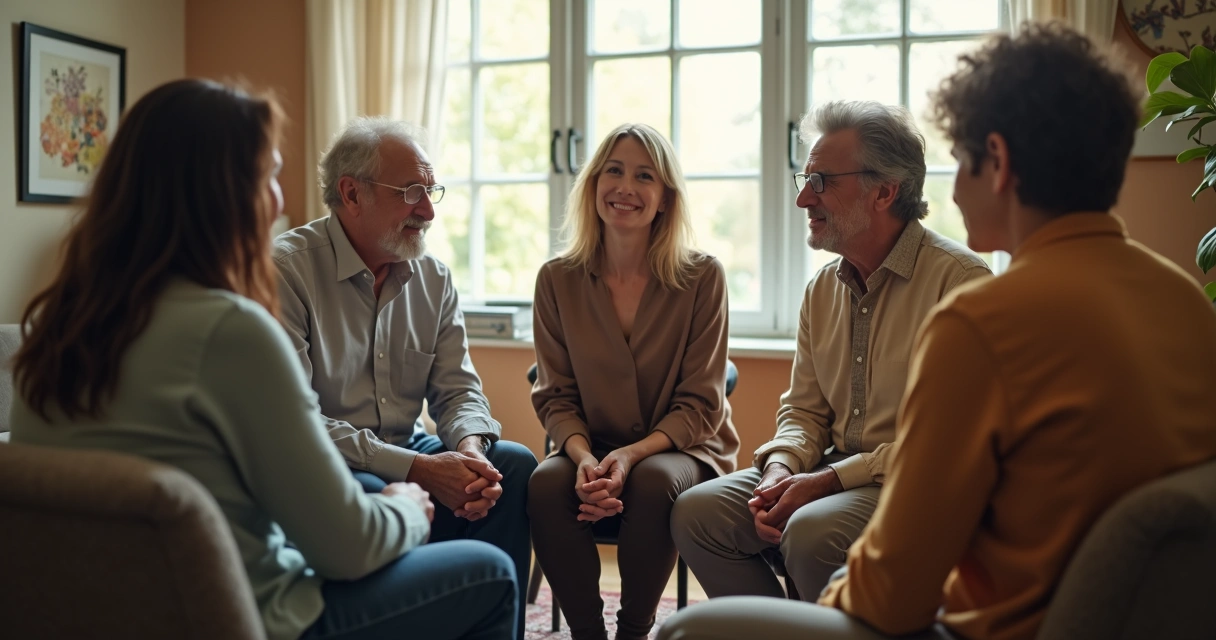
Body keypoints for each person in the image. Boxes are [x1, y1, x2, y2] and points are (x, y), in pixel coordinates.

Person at [659, 23, 1216, 640]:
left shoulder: (983, 319)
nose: (948, 186)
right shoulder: (1186, 301)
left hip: (992, 629)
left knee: (687, 632)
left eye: (961, 159)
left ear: (998, 163)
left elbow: (890, 594)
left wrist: (811, 605)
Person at [9, 79, 517, 640]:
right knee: (490, 574)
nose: (278, 200)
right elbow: (348, 546)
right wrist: (406, 502)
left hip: (105, 614)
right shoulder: (230, 329)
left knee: (507, 466)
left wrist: (458, 451)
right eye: (268, 177)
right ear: (217, 193)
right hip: (247, 613)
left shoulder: (58, 325)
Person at [670, 101, 990, 601]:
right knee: (696, 513)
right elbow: (804, 410)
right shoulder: (822, 288)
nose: (802, 199)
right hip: (827, 469)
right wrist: (780, 470)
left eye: (821, 182)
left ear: (885, 191)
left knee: (813, 531)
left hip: (915, 482)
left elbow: (948, 442)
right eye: (806, 178)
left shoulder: (962, 283)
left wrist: (828, 482)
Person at [272, 116, 537, 638]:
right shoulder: (287, 271)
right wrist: (418, 468)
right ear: (352, 193)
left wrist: (470, 451)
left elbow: (458, 389)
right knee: (370, 487)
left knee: (512, 466)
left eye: (431, 189)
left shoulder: (433, 277)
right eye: (411, 191)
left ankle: (484, 618)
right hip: (331, 461)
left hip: (405, 443)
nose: (429, 210)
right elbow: (297, 425)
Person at [528, 123, 740, 640]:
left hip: (683, 449)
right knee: (544, 484)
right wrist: (583, 458)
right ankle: (587, 634)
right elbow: (555, 395)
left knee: (651, 482)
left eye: (644, 176)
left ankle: (633, 632)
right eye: (614, 171)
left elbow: (700, 404)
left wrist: (629, 456)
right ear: (594, 183)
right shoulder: (556, 279)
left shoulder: (702, 277)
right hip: (590, 444)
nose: (625, 187)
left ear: (665, 198)